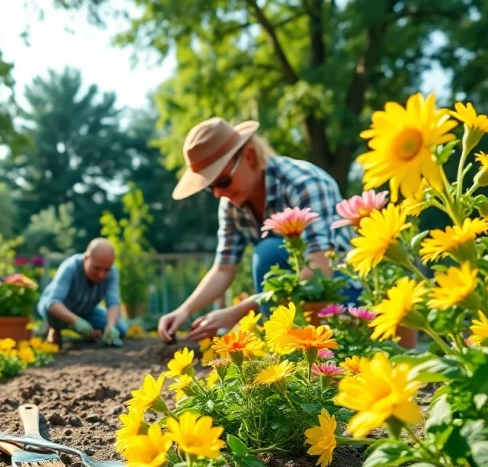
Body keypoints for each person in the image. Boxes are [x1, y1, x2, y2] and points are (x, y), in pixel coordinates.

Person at [157, 117, 355, 343]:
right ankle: (286, 348)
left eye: (222, 181)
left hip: (345, 293)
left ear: (249, 157)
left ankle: (314, 348)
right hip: (294, 299)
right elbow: (223, 269)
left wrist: (238, 311)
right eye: (210, 187)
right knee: (268, 253)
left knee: (267, 252)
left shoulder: (304, 184)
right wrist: (185, 310)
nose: (218, 194)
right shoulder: (232, 204)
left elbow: (319, 271)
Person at [37, 238, 128, 347]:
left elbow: (113, 303)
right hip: (61, 310)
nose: (102, 275)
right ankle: (54, 329)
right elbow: (53, 303)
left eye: (106, 270)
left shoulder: (113, 272)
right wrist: (75, 321)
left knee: (120, 328)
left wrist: (110, 326)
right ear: (86, 258)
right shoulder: (70, 267)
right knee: (50, 309)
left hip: (87, 310)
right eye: (97, 268)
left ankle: (94, 334)